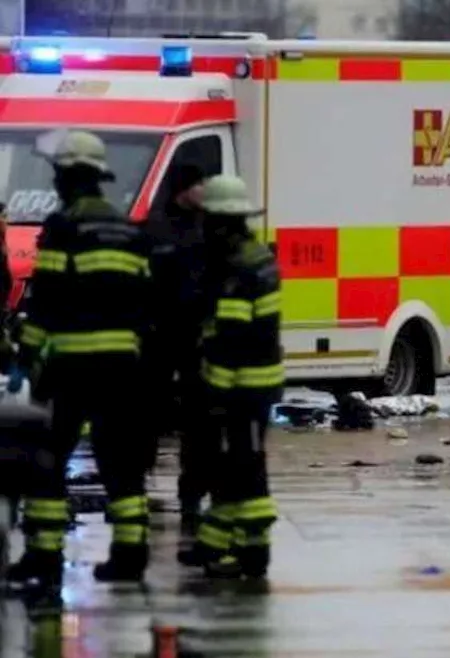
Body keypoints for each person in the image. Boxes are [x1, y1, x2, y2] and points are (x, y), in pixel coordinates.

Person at [7, 130, 154, 589]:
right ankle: (130, 556)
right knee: (121, 464)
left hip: (69, 369)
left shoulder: (63, 228)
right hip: (121, 371)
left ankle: (44, 558)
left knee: (48, 462)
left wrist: (26, 358)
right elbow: (146, 304)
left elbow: (45, 302)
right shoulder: (127, 229)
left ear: (68, 178)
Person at [178, 175, 283, 578]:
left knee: (246, 468)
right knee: (234, 465)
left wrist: (214, 391)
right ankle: (219, 545)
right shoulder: (254, 258)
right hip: (250, 384)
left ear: (222, 222)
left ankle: (254, 548)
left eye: (208, 220)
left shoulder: (239, 268)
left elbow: (231, 336)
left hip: (243, 387)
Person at [142, 163, 213, 530]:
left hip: (195, 342)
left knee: (198, 424)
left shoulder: (209, 227)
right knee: (147, 418)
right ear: (183, 189)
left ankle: (191, 497)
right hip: (159, 339)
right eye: (199, 182)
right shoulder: (158, 228)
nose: (204, 188)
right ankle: (138, 486)